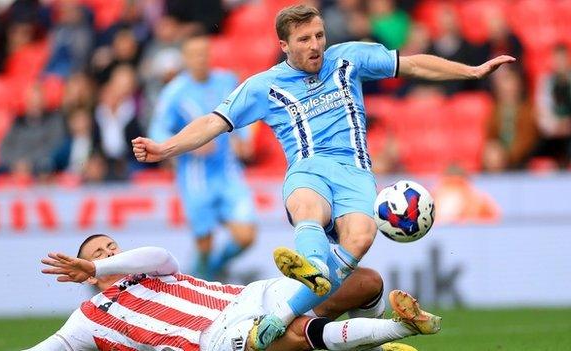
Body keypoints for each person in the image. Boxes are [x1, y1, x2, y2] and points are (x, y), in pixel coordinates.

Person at [131, 4, 513, 348]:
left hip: (355, 172)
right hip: (307, 168)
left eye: (319, 36)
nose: (315, 45)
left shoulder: (349, 59)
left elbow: (412, 64)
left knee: (360, 238)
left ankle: (289, 308)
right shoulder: (263, 85)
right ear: (284, 45)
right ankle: (316, 271)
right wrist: (166, 148)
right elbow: (213, 123)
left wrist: (473, 71)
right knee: (308, 207)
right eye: (304, 39)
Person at [26, 234, 441, 351]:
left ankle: (369, 339)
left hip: (248, 295)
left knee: (368, 282)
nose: (110, 252)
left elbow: (161, 252)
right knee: (297, 334)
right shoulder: (90, 317)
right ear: (86, 279)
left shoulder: (150, 267)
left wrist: (100, 264)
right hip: (214, 339)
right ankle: (397, 331)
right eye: (99, 254)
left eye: (111, 246)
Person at [149, 34, 257, 281]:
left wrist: (243, 138)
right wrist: (189, 145)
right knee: (205, 244)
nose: (201, 59)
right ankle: (201, 282)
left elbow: (242, 114)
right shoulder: (175, 92)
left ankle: (216, 268)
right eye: (195, 54)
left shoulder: (226, 81)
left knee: (246, 236)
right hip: (195, 178)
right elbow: (157, 130)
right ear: (185, 59)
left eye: (204, 53)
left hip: (229, 173)